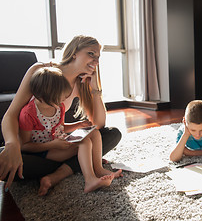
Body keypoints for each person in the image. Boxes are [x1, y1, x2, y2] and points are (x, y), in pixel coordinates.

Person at [0, 35, 122, 193]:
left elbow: (98, 125)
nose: (96, 61)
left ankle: (65, 170)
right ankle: (77, 164)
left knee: (111, 134)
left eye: (98, 57)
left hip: (59, 143)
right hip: (33, 146)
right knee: (3, 162)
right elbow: (10, 115)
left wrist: (95, 89)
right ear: (74, 52)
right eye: (91, 54)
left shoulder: (82, 83)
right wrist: (12, 145)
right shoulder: (41, 72)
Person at [18, 67, 121, 194]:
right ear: (45, 95)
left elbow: (60, 127)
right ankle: (90, 180)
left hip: (58, 142)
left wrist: (78, 125)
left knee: (93, 132)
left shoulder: (58, 106)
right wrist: (52, 145)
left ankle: (98, 169)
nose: (63, 100)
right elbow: (24, 146)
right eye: (60, 97)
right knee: (85, 143)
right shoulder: (28, 114)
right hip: (43, 151)